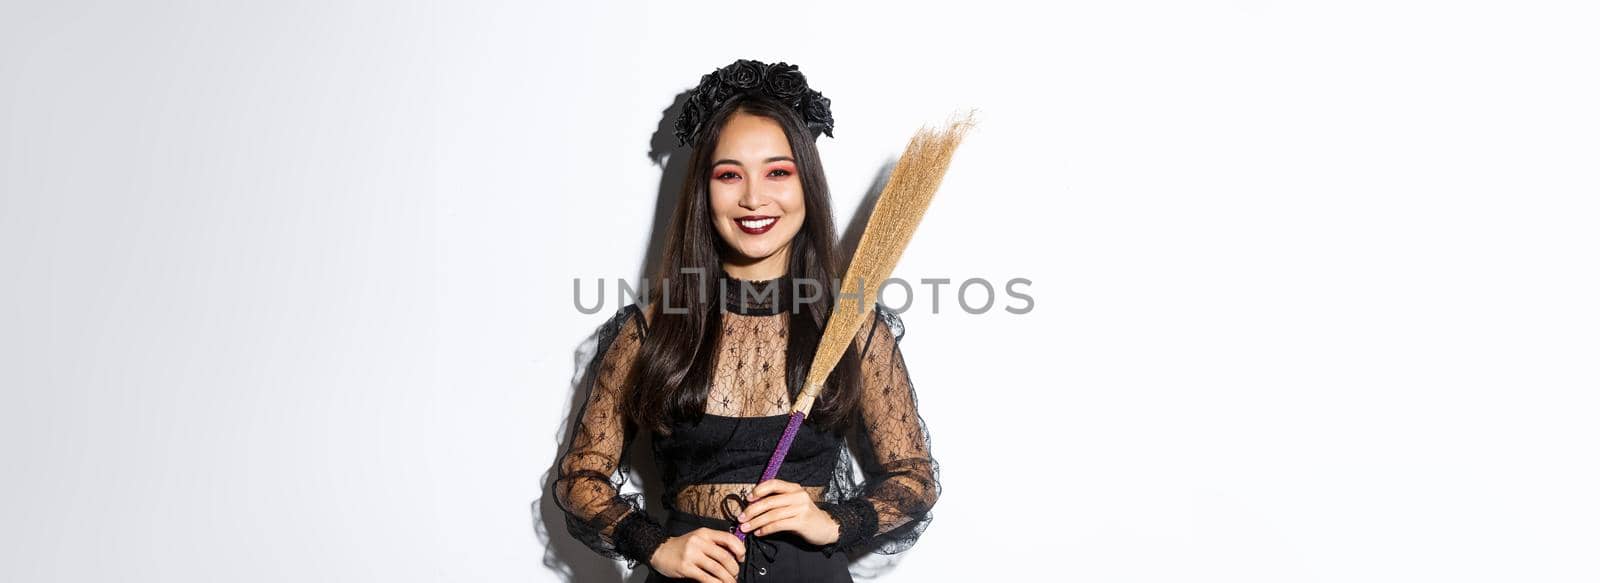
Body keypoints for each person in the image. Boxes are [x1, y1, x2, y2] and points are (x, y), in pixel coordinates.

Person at [552, 59, 940, 583]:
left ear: (807, 185)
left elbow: (914, 477)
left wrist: (832, 523)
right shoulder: (651, 329)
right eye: (729, 174)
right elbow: (581, 475)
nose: (754, 198)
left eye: (778, 172)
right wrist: (659, 548)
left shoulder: (851, 327)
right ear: (702, 191)